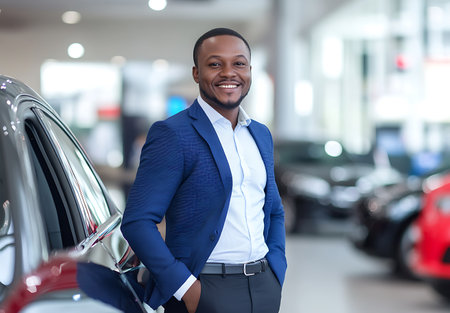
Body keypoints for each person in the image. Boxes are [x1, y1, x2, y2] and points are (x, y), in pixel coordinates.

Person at [121, 27, 287, 313]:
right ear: (197, 73)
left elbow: (273, 210)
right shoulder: (173, 134)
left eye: (238, 63)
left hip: (263, 288)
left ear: (250, 70)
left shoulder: (260, 135)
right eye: (215, 64)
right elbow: (137, 222)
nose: (228, 73)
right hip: (205, 289)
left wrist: (276, 269)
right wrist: (187, 289)